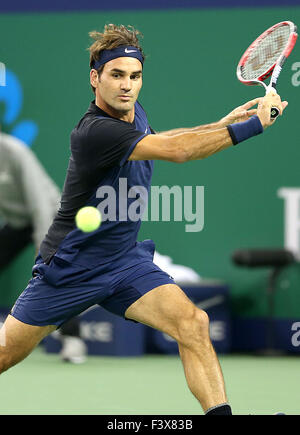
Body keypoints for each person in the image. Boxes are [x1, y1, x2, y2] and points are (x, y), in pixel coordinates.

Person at [0, 24, 286, 415]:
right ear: (94, 78)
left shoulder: (133, 113)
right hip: (70, 268)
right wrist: (254, 126)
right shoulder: (94, 132)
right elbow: (178, 151)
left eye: (134, 76)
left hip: (122, 261)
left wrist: (222, 125)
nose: (127, 86)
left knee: (193, 323)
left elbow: (164, 138)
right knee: (5, 353)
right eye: (116, 75)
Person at [0, 131, 86, 363]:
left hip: (49, 216)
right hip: (18, 222)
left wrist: (44, 245)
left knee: (54, 274)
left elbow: (37, 199)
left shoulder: (14, 151)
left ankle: (73, 340)